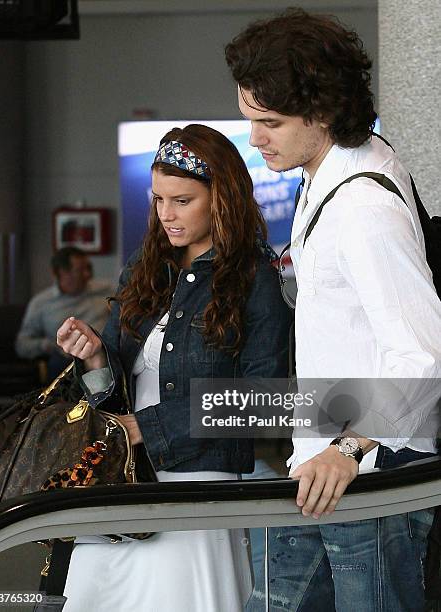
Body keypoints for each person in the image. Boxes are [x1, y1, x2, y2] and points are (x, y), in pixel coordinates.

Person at [225, 7, 441, 612]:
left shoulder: (363, 206)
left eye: (269, 123)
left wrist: (350, 448)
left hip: (367, 481)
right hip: (316, 465)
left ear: (321, 112)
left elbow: (424, 353)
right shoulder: (327, 169)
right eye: (250, 119)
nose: (256, 138)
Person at [56, 124, 291, 612]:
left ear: (221, 198)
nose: (166, 214)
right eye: (159, 199)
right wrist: (96, 359)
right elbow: (114, 391)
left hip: (199, 487)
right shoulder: (145, 264)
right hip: (123, 476)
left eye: (182, 200)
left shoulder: (254, 277)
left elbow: (262, 400)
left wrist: (148, 427)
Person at [15, 247, 112, 380]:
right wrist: (49, 345)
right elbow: (22, 344)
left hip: (106, 353)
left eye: (88, 268)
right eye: (80, 270)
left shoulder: (106, 291)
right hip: (65, 359)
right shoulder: (41, 303)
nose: (88, 275)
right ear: (60, 273)